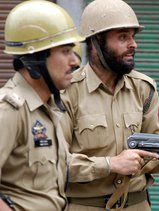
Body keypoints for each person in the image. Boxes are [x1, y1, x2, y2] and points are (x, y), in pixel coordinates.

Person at [61, 0, 159, 210]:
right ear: (97, 41)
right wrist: (109, 165)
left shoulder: (144, 89)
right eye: (122, 37)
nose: (133, 44)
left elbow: (154, 154)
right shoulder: (66, 92)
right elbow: (53, 164)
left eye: (133, 37)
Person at [0, 1, 85, 210]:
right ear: (35, 58)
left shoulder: (49, 109)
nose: (75, 61)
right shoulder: (10, 110)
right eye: (65, 51)